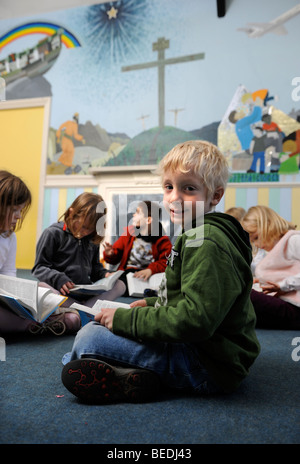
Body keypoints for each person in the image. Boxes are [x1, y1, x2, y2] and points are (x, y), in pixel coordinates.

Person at [61, 140, 260, 404]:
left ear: (215, 196)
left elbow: (195, 320)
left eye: (188, 188)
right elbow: (192, 296)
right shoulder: (197, 233)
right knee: (100, 329)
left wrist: (125, 321)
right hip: (205, 351)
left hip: (207, 366)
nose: (174, 198)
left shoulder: (207, 243)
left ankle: (96, 364)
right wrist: (153, 303)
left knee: (89, 339)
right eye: (169, 187)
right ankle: (131, 374)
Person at [0, 170, 76, 335]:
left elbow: (8, 274)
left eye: (20, 210)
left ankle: (39, 320)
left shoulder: (9, 238)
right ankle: (40, 324)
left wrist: (18, 297)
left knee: (44, 288)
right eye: (14, 210)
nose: (19, 216)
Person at [32, 192, 126, 318]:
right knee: (41, 287)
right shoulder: (53, 233)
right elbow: (39, 267)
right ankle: (86, 310)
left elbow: (95, 269)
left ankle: (80, 310)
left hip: (84, 292)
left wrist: (106, 275)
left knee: (120, 285)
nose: (86, 232)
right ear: (71, 213)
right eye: (83, 226)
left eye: (91, 229)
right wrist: (58, 278)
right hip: (61, 291)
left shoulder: (92, 239)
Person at [241, 205, 300, 329]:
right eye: (253, 241)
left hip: (296, 308)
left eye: (256, 237)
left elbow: (287, 283)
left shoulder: (294, 240)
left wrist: (283, 285)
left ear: (268, 225)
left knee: (242, 293)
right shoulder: (273, 252)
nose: (257, 244)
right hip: (286, 303)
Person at [103, 200, 172, 295]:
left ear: (148, 220)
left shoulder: (162, 240)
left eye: (138, 212)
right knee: (115, 281)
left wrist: (151, 270)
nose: (134, 215)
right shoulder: (129, 233)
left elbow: (167, 262)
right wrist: (110, 254)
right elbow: (115, 258)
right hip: (128, 274)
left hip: (148, 276)